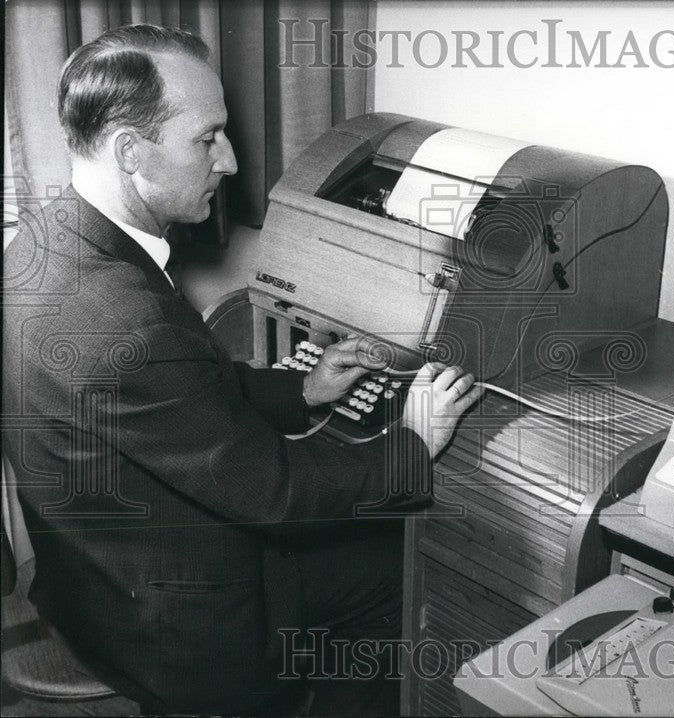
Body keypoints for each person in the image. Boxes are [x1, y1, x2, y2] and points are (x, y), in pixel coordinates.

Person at [1, 24, 482, 715]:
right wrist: (412, 443)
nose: (227, 161)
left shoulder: (42, 244)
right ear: (131, 152)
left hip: (95, 582)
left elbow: (167, 404)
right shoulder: (125, 319)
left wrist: (300, 389)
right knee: (393, 566)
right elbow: (276, 495)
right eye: (207, 138)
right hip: (174, 633)